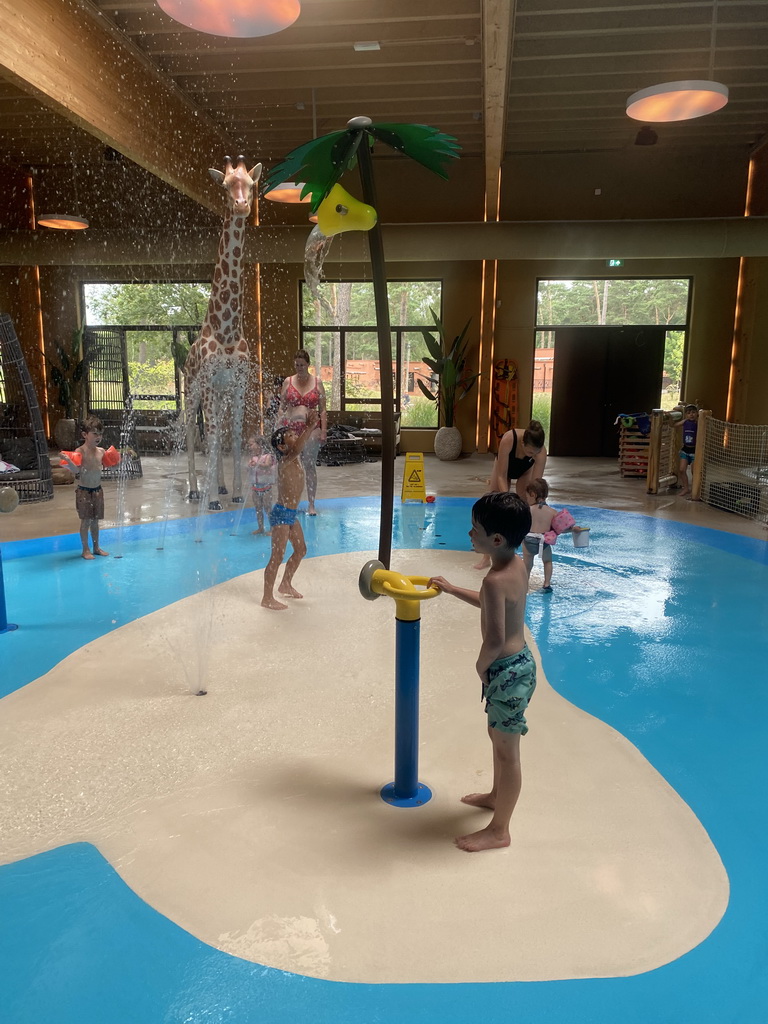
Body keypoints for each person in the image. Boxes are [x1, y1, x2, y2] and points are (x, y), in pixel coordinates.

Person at [428, 491, 535, 853]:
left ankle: (500, 831)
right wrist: (453, 588)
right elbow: (497, 608)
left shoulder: (493, 581)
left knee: (508, 752)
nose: (470, 534)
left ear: (497, 539)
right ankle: (495, 794)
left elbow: (494, 639)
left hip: (505, 671)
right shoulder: (515, 565)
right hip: (520, 666)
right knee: (498, 739)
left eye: (476, 529)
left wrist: (480, 668)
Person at [261, 412, 319, 611]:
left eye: (296, 435)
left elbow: (299, 448)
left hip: (291, 514)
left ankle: (285, 583)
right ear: (282, 447)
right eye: (292, 436)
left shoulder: (295, 458)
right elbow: (298, 448)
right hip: (281, 514)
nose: (297, 438)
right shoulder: (287, 459)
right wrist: (309, 427)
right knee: (277, 557)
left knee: (301, 550)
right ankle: (267, 597)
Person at [474, 418, 547, 570]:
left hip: (524, 471)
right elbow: (502, 475)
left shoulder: (540, 453)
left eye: (536, 453)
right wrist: (506, 499)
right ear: (523, 444)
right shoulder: (509, 439)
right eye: (529, 452)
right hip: (503, 468)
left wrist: (537, 505)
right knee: (494, 506)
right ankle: (486, 556)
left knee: (524, 508)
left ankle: (515, 549)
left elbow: (536, 486)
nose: (533, 455)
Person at [59, 415, 120, 560]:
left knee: (95, 521)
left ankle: (96, 547)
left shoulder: (102, 452)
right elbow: (76, 471)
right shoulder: (80, 451)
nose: (98, 437)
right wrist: (68, 460)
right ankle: (85, 549)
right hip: (84, 491)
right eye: (95, 433)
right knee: (86, 521)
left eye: (100, 433)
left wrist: (119, 462)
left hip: (98, 490)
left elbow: (111, 469)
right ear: (85, 435)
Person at [278, 350, 327, 515]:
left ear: (308, 365)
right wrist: (278, 427)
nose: (299, 367)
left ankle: (311, 504)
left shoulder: (317, 382)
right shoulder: (288, 381)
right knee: (289, 465)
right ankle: (290, 502)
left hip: (311, 428)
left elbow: (323, 410)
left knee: (309, 465)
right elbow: (281, 407)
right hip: (291, 427)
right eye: (296, 365)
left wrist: (324, 432)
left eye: (302, 365)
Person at [521, 477, 573, 593]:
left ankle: (525, 584)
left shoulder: (527, 510)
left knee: (527, 564)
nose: (527, 499)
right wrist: (574, 529)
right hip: (544, 541)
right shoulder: (552, 512)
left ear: (533, 494)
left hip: (529, 540)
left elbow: (520, 525)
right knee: (548, 561)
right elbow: (562, 527)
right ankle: (546, 583)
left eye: (527, 496)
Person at [247, 434, 276, 535]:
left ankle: (273, 528)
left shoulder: (267, 456)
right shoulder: (253, 458)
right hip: (255, 487)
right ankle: (260, 528)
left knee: (268, 508)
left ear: (259, 445)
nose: (249, 447)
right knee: (258, 508)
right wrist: (249, 466)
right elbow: (249, 470)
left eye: (251, 444)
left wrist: (258, 464)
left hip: (266, 487)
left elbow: (267, 466)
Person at [678, 404, 699, 497]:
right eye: (689, 413)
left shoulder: (698, 423)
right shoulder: (685, 422)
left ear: (697, 414)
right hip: (685, 449)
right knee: (682, 470)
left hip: (694, 450)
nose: (691, 415)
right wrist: (670, 416)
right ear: (686, 415)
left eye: (693, 412)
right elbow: (673, 425)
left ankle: (695, 489)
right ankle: (686, 488)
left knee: (694, 472)